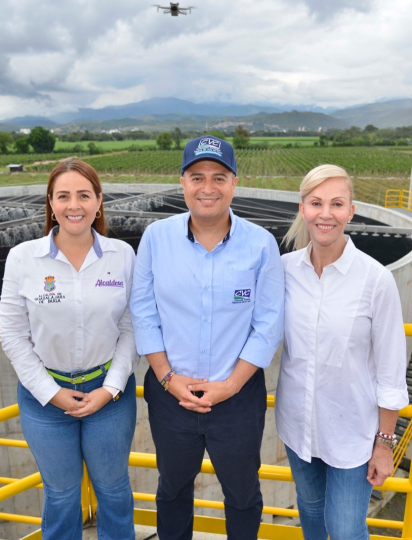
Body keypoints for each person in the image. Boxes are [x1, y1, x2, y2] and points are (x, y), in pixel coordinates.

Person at [130, 135, 285, 540]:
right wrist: (166, 377)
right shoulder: (156, 239)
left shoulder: (261, 245)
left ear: (235, 183)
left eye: (219, 177)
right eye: (196, 177)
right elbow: (144, 312)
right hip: (170, 393)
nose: (208, 188)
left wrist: (230, 385)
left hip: (237, 398)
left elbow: (268, 323)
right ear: (182, 182)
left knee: (242, 492)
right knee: (173, 489)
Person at [0, 159, 138, 540]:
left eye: (83, 195)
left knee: (113, 490)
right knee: (60, 495)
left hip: (108, 396)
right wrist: (52, 393)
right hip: (44, 399)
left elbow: (131, 328)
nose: (73, 205)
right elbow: (11, 334)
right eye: (63, 196)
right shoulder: (23, 258)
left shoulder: (122, 256)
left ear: (98, 202)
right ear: (50, 202)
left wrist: (110, 389)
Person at [275, 164, 409, 540]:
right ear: (303, 208)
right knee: (312, 518)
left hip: (353, 433)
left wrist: (385, 444)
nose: (326, 213)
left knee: (347, 530)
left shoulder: (375, 280)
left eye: (337, 203)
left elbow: (391, 370)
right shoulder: (284, 271)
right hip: (298, 427)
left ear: (351, 211)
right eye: (316, 203)